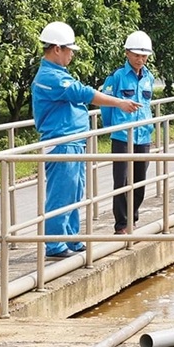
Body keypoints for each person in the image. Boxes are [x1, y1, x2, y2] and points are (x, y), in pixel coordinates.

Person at [32, 21, 142, 260]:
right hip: (61, 141)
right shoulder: (50, 77)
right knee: (61, 193)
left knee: (75, 192)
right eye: (70, 49)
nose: (72, 54)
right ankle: (54, 243)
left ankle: (71, 236)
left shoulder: (59, 73)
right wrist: (119, 102)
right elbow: (82, 93)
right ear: (57, 48)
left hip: (73, 141)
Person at [100, 31, 155, 235]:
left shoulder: (149, 77)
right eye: (136, 55)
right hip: (122, 136)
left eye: (144, 56)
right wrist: (112, 128)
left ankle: (133, 218)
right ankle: (121, 224)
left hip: (143, 135)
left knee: (140, 179)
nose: (140, 59)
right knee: (121, 181)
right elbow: (105, 107)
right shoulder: (116, 77)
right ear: (126, 53)